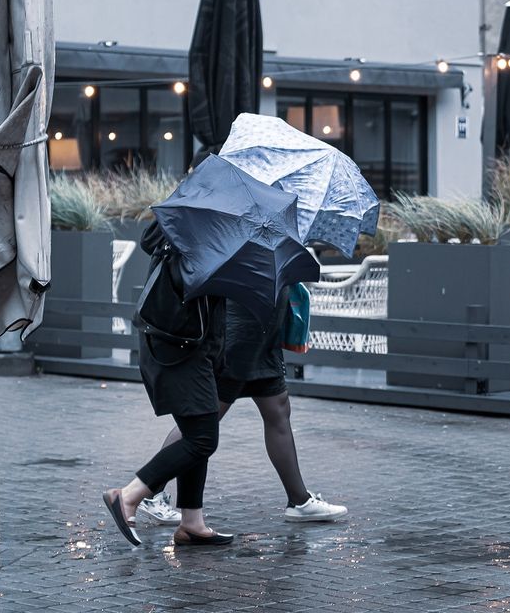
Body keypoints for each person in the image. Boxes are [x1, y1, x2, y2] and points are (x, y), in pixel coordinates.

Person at [137, 291, 347, 526]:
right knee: (203, 420)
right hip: (242, 334)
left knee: (277, 409)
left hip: (263, 334)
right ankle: (148, 493)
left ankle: (299, 501)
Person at [102, 222, 232, 547]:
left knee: (196, 430)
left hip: (175, 344)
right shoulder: (201, 229)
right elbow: (196, 281)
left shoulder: (180, 219)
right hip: (182, 348)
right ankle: (129, 495)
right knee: (203, 439)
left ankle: (191, 522)